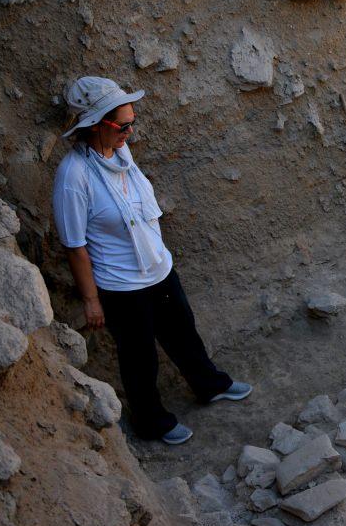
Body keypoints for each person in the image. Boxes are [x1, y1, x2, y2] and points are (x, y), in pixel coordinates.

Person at [52, 76, 252, 445]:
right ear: (96, 124)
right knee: (139, 358)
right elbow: (75, 245)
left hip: (157, 269)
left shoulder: (118, 152)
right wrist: (92, 299)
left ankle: (210, 385)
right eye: (123, 125)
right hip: (122, 286)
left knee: (183, 333)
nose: (131, 130)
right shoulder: (73, 177)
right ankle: (151, 422)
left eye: (132, 122)